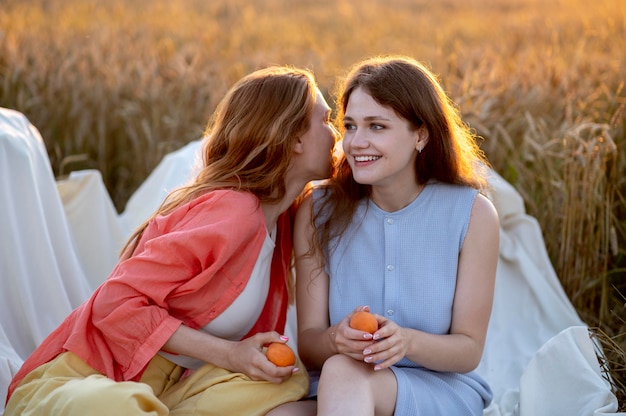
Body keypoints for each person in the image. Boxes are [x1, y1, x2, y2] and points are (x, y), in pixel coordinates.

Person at [4, 65, 339, 416]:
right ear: (296, 138)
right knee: (115, 406)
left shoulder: (283, 220)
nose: (336, 135)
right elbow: (114, 302)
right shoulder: (234, 211)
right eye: (327, 121)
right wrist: (230, 355)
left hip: (175, 387)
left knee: (287, 378)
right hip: (93, 379)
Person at [293, 55, 500, 415]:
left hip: (436, 389)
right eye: (351, 126)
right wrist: (335, 339)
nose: (356, 142)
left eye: (377, 126)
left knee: (343, 372)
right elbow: (309, 343)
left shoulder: (473, 214)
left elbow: (468, 350)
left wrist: (406, 342)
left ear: (420, 134)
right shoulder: (318, 209)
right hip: (339, 390)